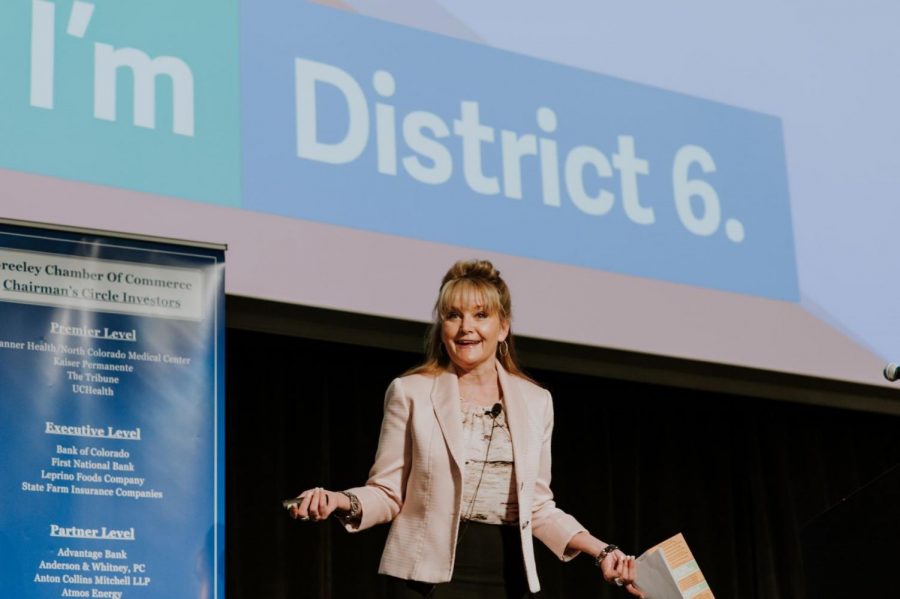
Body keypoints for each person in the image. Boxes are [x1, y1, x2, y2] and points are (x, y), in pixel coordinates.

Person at [289, 260, 643, 598]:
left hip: (509, 575)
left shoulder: (536, 402)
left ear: (502, 327)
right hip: (425, 577)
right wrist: (338, 501)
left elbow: (537, 507)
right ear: (441, 327)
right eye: (453, 315)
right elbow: (388, 492)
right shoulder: (410, 392)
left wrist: (602, 551)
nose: (465, 327)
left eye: (481, 315)